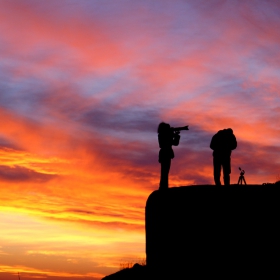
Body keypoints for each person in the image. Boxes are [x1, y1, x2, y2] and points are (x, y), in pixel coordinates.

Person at [157, 122, 188, 190]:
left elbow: (175, 143)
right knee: (164, 171)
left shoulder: (164, 134)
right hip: (165, 153)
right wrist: (172, 135)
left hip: (166, 153)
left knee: (165, 171)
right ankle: (163, 187)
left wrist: (176, 136)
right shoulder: (162, 135)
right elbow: (163, 144)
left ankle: (164, 186)